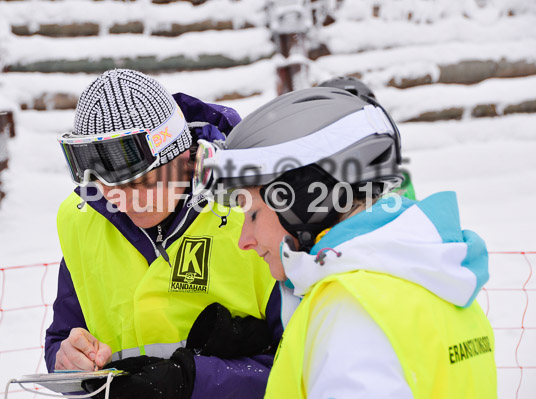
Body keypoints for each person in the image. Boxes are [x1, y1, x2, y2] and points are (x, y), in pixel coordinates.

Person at [195, 86, 497, 398]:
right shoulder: (435, 276)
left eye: (254, 214)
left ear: (307, 197)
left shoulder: (352, 312)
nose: (245, 240)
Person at [46, 69, 283, 398]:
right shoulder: (79, 219)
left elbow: (306, 366)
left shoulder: (253, 210)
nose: (127, 201)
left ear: (184, 156)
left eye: (143, 182)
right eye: (109, 187)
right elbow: (61, 339)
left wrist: (195, 380)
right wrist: (67, 360)